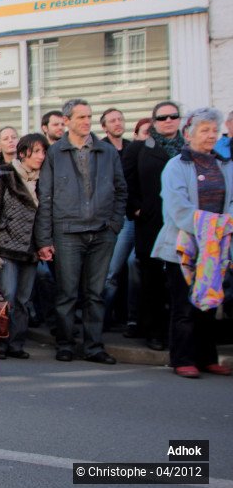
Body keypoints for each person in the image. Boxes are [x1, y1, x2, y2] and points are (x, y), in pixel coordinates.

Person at [35, 99, 126, 365]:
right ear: (67, 121)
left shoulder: (107, 152)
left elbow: (121, 190)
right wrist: (44, 239)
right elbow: (46, 197)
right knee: (67, 292)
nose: (86, 122)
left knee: (95, 293)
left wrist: (114, 224)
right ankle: (65, 344)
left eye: (89, 117)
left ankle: (94, 346)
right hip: (67, 231)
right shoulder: (55, 153)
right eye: (81, 117)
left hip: (102, 231)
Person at [151, 107, 232, 378]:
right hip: (183, 245)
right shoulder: (176, 165)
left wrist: (223, 227)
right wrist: (214, 227)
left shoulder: (225, 164)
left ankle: (207, 357)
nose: (211, 136)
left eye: (214, 130)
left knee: (207, 303)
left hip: (215, 246)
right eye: (205, 130)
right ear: (189, 134)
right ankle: (183, 358)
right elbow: (177, 208)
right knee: (183, 305)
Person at [123, 101, 184, 350]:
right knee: (152, 279)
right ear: (154, 121)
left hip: (184, 224)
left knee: (181, 279)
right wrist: (136, 207)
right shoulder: (140, 148)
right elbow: (126, 180)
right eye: (162, 118)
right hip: (151, 222)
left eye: (173, 116)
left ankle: (178, 333)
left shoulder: (189, 147)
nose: (168, 121)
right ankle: (154, 331)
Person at [0, 133, 49, 360]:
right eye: (36, 151)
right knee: (5, 295)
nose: (41, 156)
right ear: (23, 153)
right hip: (6, 246)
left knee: (23, 299)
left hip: (31, 248)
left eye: (43, 151)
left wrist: (44, 244)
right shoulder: (4, 175)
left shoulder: (44, 179)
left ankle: (16, 344)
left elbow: (45, 216)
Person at [101, 107, 135, 329]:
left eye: (120, 119)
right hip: (110, 217)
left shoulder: (133, 149)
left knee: (131, 267)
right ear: (104, 126)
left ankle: (127, 316)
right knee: (110, 271)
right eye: (112, 120)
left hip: (132, 216)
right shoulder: (100, 150)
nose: (117, 123)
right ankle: (101, 319)